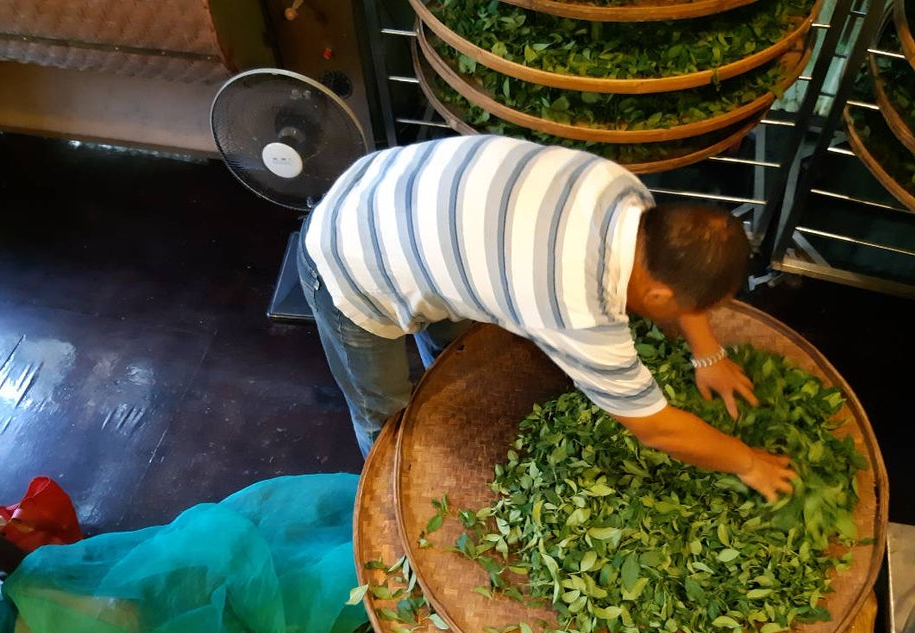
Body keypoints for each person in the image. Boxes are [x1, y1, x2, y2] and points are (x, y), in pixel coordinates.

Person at [298, 135, 796, 501]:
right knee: (384, 411)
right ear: (662, 295)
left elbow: (682, 274)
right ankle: (388, 501)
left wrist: (707, 352)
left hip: (397, 189)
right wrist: (748, 462)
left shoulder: (622, 192)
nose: (694, 319)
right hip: (348, 260)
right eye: (692, 312)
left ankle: (435, 368)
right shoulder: (575, 306)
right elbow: (658, 429)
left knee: (452, 340)